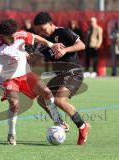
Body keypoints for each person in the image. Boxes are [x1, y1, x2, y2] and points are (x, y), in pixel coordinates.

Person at [0, 19, 65, 145]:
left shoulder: (20, 35)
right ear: (3, 36)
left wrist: (51, 44)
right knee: (15, 104)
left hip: (25, 74)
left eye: (15, 34)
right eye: (12, 36)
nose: (15, 36)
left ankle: (57, 121)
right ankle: (11, 134)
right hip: (7, 78)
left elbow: (37, 38)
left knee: (47, 93)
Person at [33, 12, 90, 145]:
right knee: (42, 99)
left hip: (73, 72)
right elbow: (38, 59)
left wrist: (65, 50)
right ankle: (60, 123)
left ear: (51, 24)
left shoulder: (64, 32)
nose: (42, 32)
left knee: (59, 100)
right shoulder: (44, 41)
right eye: (39, 30)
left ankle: (82, 127)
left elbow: (82, 45)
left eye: (44, 29)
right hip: (59, 75)